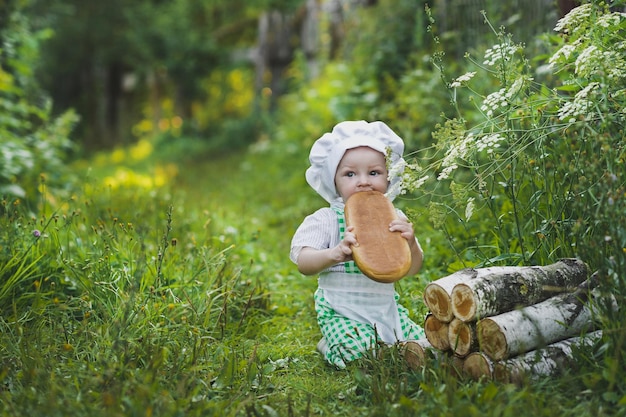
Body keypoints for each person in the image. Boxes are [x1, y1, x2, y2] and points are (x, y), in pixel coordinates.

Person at [290, 120, 426, 369]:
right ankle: (332, 343)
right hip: (342, 312)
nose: (363, 182)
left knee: (427, 346)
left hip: (386, 311)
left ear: (388, 178)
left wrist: (411, 244)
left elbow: (413, 268)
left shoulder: (394, 218)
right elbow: (304, 262)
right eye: (350, 174)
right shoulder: (327, 219)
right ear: (334, 181)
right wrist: (334, 254)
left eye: (374, 173)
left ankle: (391, 344)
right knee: (363, 355)